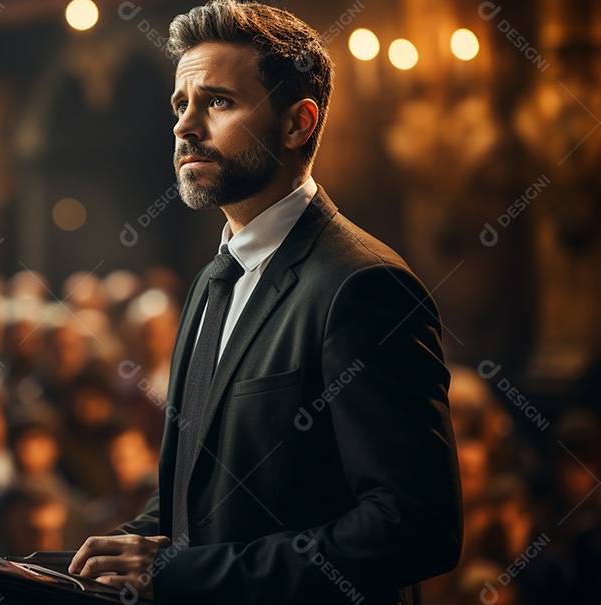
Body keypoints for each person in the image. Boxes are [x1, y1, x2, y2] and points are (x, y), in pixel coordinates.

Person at [68, 2, 463, 603]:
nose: (184, 127)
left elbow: (413, 528)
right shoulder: (210, 282)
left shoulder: (363, 285)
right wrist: (120, 551)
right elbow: (200, 493)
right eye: (181, 104)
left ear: (298, 123)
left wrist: (180, 577)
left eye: (218, 102)